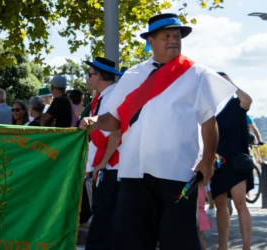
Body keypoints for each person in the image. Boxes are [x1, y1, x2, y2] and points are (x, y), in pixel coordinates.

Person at [79, 13, 236, 249]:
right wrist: (94, 121)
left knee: (178, 241)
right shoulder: (132, 75)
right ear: (150, 41)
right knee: (131, 240)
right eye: (166, 36)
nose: (174, 40)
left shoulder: (197, 73)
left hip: (177, 172)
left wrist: (207, 161)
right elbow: (114, 121)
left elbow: (208, 121)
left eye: (177, 36)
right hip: (134, 172)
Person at [82, 57, 123, 250]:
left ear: (98, 76)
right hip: (104, 168)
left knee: (103, 226)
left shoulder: (112, 96)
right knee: (104, 222)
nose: (87, 79)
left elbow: (115, 131)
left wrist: (102, 163)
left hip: (110, 168)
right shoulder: (102, 97)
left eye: (89, 75)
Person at [211, 72, 254, 250]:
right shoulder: (208, 107)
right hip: (215, 162)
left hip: (236, 161)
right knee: (221, 205)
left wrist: (232, 85)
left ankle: (246, 246)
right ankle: (223, 246)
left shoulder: (235, 104)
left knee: (239, 202)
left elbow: (248, 101)